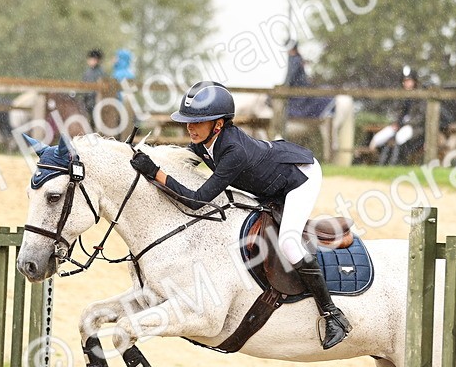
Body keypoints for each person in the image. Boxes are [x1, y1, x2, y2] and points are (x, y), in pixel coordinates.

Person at [128, 80, 351, 350]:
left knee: (288, 243)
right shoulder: (204, 142)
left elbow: (197, 200)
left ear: (218, 125)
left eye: (197, 122)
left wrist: (155, 173)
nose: (190, 127)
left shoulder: (233, 151)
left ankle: (332, 314)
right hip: (270, 179)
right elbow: (181, 161)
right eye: (188, 121)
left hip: (299, 177)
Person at [80, 49, 105, 117]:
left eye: (92, 59)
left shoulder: (100, 72)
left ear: (97, 60)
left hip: (95, 102)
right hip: (87, 102)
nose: (89, 61)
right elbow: (83, 85)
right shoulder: (87, 72)